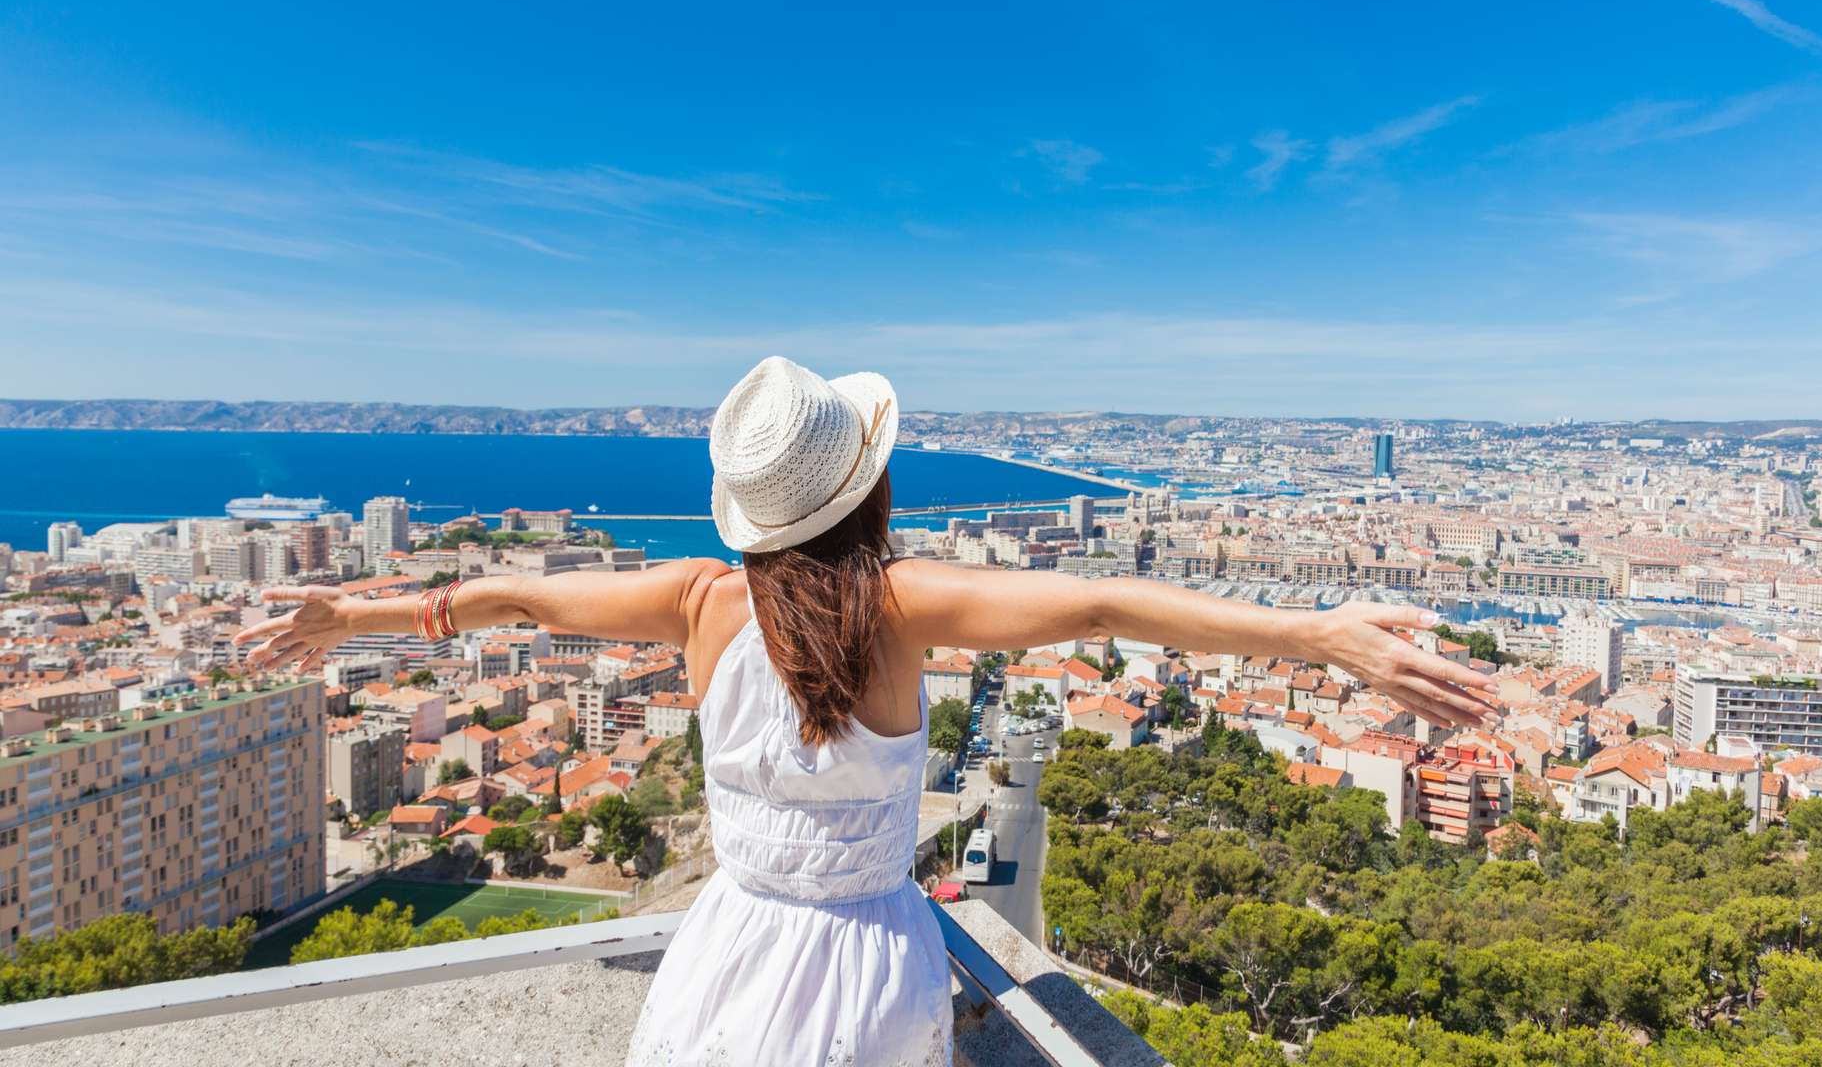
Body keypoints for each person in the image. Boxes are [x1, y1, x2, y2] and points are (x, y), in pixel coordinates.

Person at [236, 355, 1497, 1066]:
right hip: (864, 965)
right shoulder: (901, 603)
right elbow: (1104, 605)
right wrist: (1315, 636)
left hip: (721, 952)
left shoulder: (695, 599)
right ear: (868, 483)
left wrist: (356, 616)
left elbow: (513, 600)